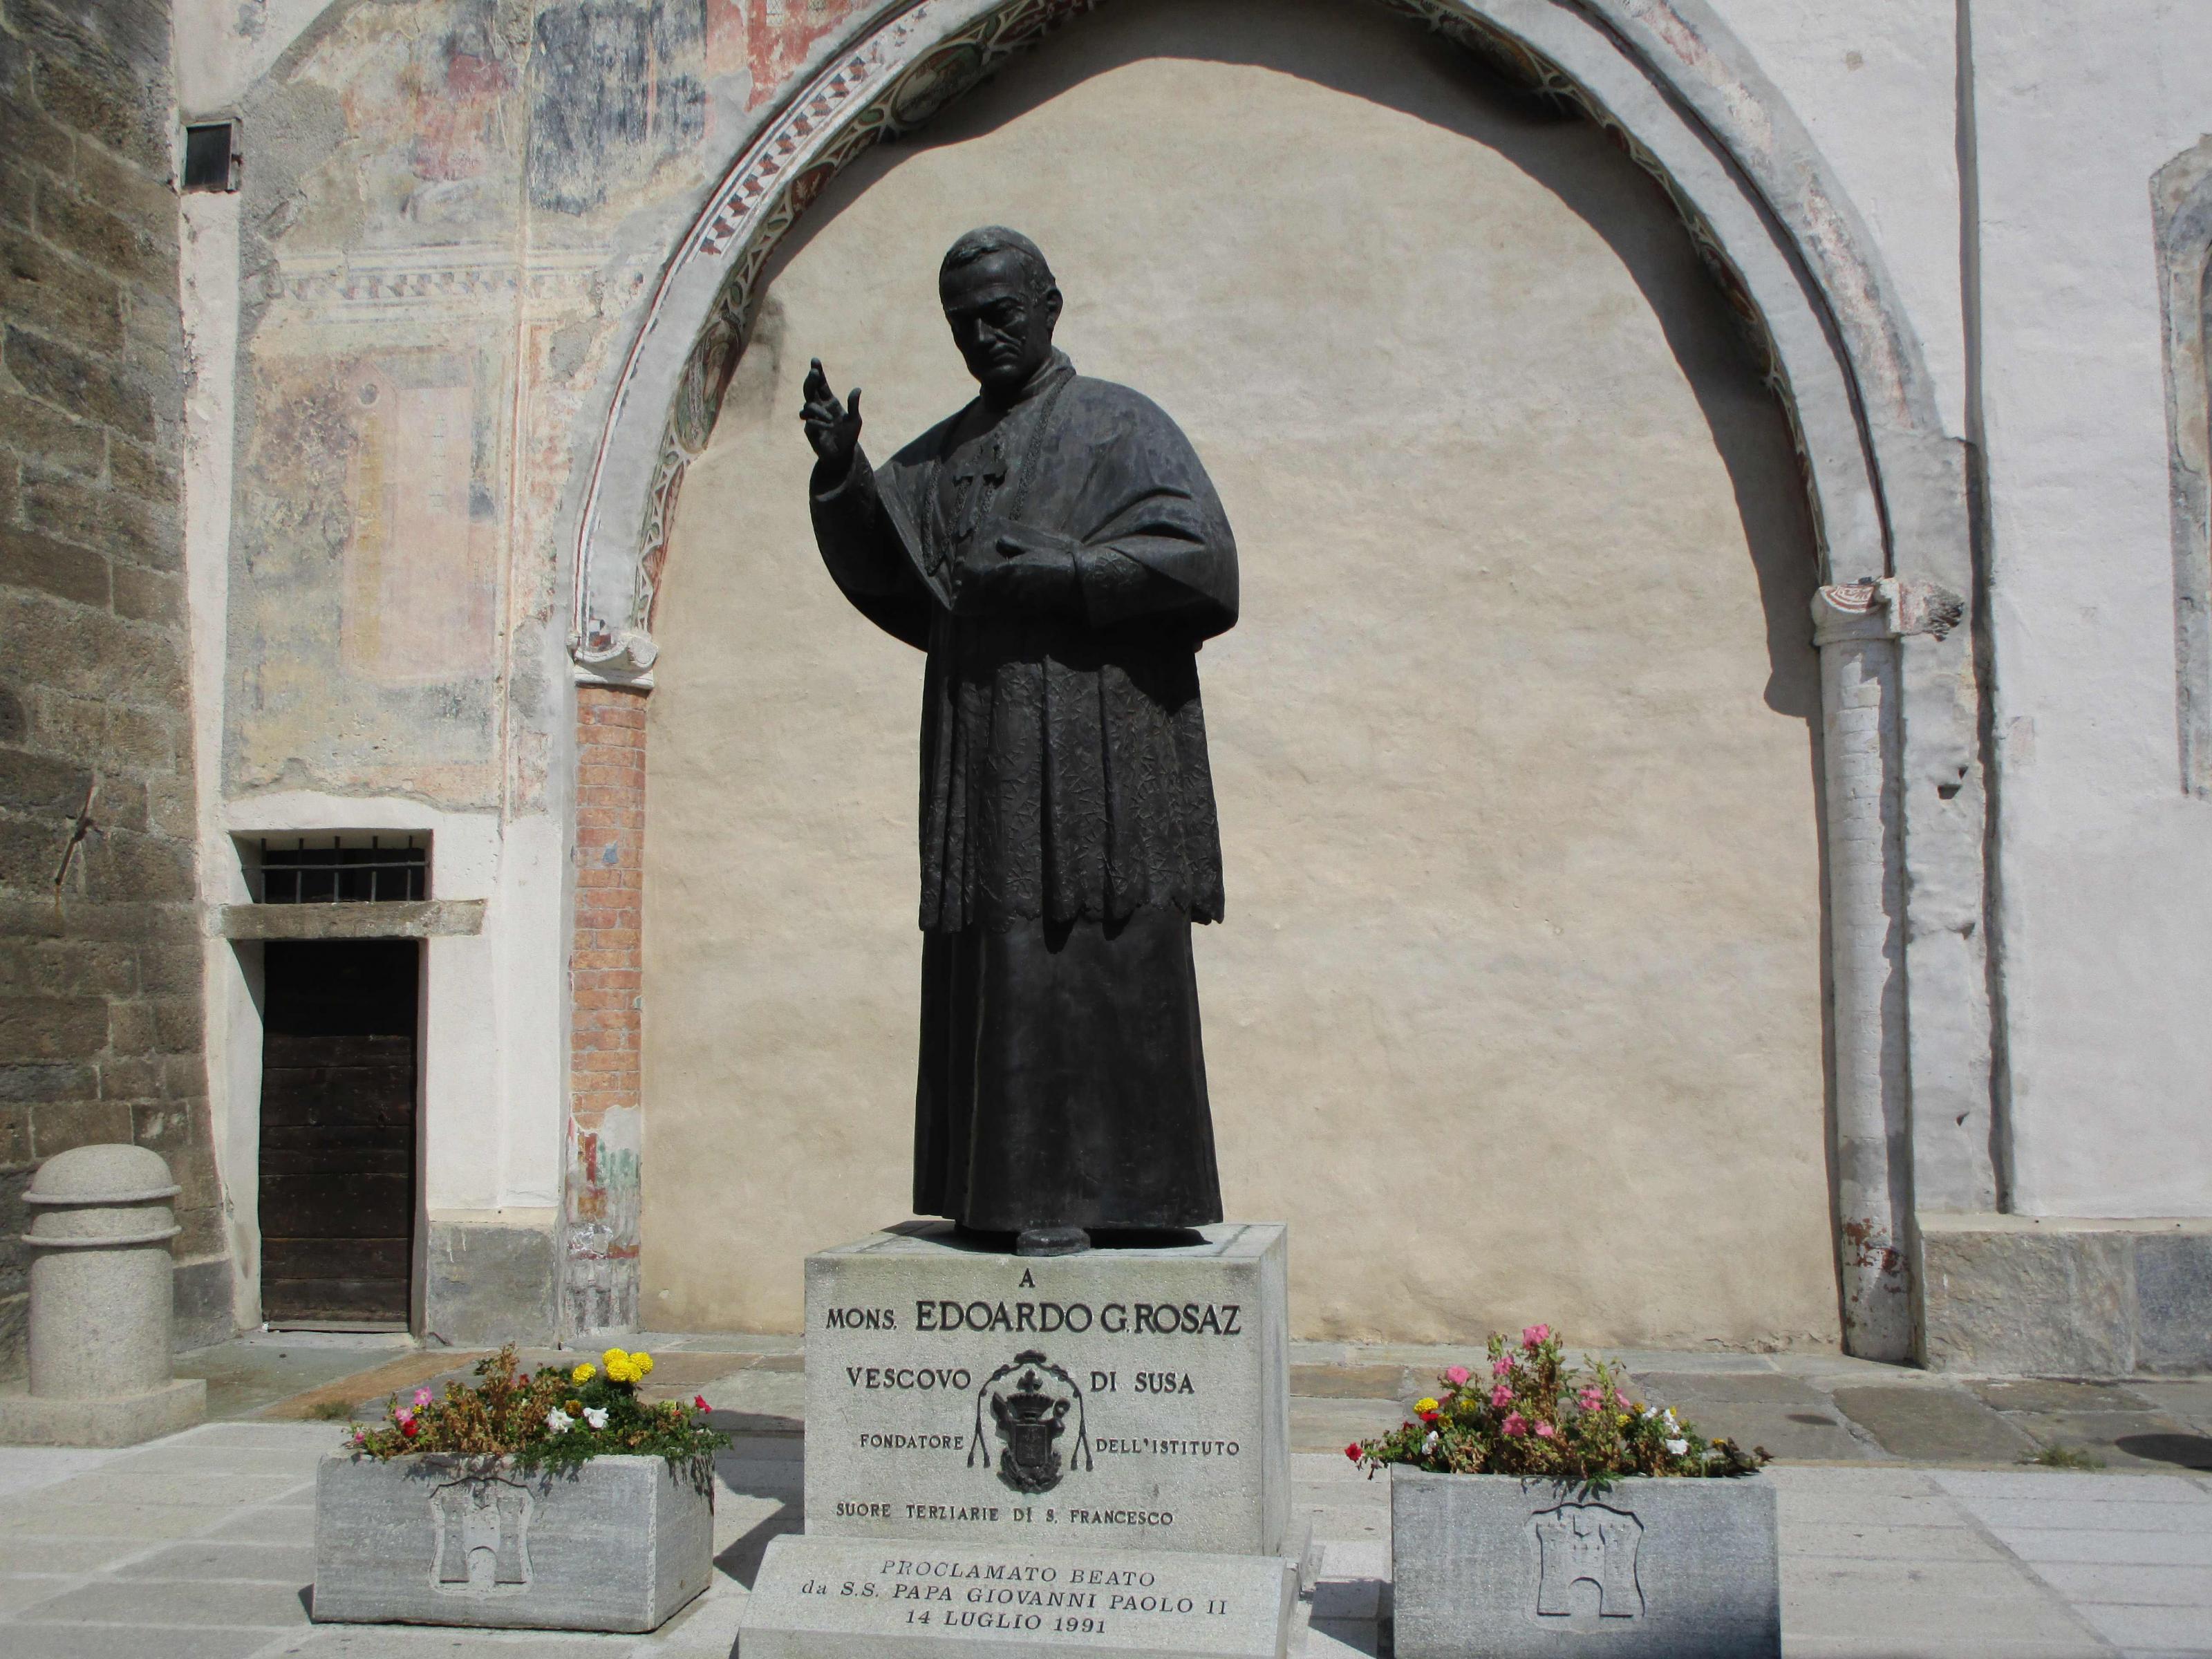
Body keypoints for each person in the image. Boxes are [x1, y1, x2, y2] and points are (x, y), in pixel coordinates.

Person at [801, 226, 1239, 1256]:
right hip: (988, 744)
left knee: (1106, 944)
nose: (983, 337)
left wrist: (1066, 573)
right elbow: (898, 570)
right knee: (1004, 956)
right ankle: (1014, 1189)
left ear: (1049, 305)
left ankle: (1134, 1194)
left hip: (1104, 745)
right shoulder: (947, 450)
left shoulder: (1120, 424)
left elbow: (1207, 566)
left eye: (1000, 314)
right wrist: (844, 476)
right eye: (962, 324)